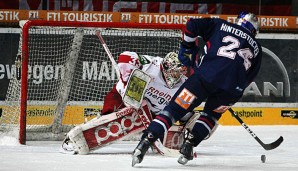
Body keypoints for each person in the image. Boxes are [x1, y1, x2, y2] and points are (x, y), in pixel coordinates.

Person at [132, 11, 262, 166]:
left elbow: (191, 24)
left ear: (238, 21)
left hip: (204, 77)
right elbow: (248, 78)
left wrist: (187, 47)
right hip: (230, 90)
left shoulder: (220, 24)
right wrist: (229, 88)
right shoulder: (257, 48)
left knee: (174, 110)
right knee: (210, 116)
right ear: (254, 30)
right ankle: (189, 145)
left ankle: (146, 140)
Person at [61, 51, 189, 154]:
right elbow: (126, 56)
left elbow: (181, 108)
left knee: (162, 132)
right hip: (123, 97)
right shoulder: (152, 65)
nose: (177, 75)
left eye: (180, 72)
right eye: (175, 71)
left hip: (151, 112)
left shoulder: (184, 85)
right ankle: (77, 136)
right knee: (108, 118)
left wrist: (187, 120)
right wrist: (127, 81)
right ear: (166, 67)